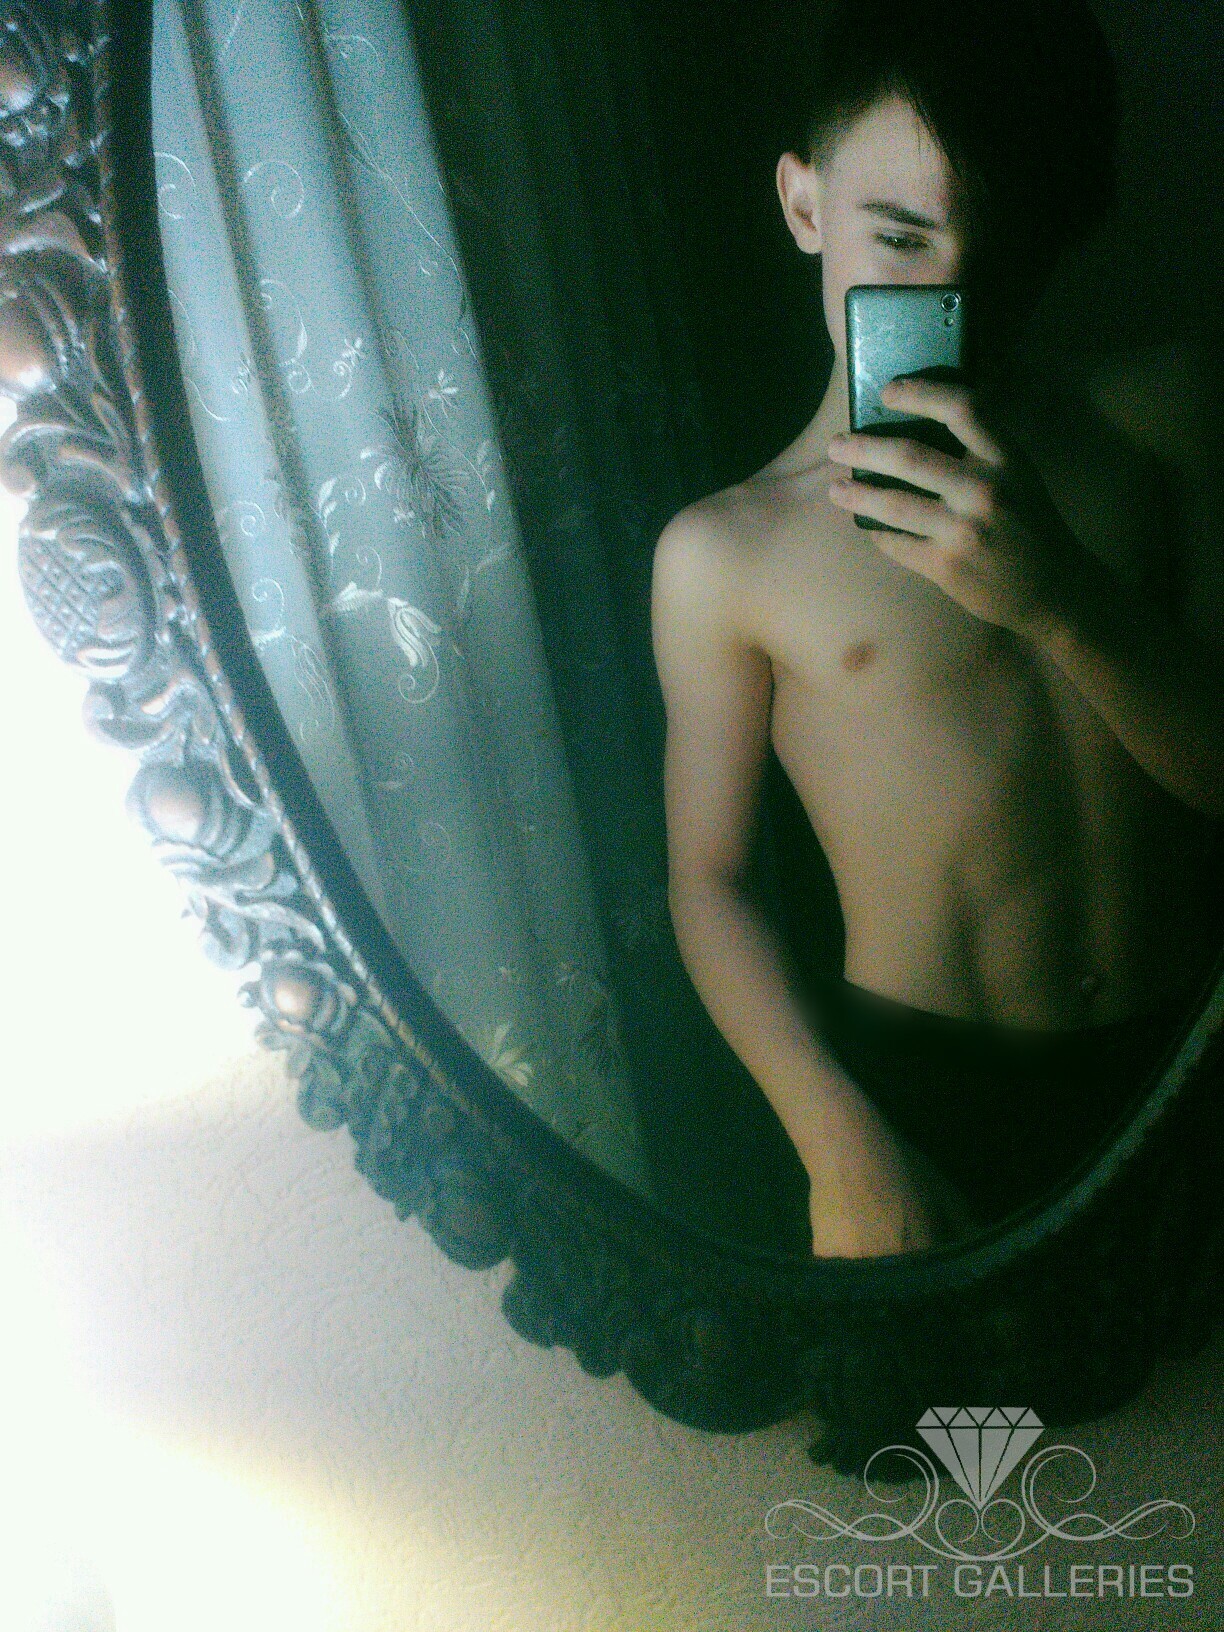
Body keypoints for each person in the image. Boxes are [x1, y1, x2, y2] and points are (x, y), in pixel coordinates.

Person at [650, 0, 1224, 1259]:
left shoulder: (1162, 419)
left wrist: (1061, 599)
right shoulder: (727, 553)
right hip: (925, 1095)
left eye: (1000, 245)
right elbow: (709, 880)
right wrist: (837, 1141)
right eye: (901, 237)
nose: (953, 291)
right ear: (805, 206)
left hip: (1188, 1054)